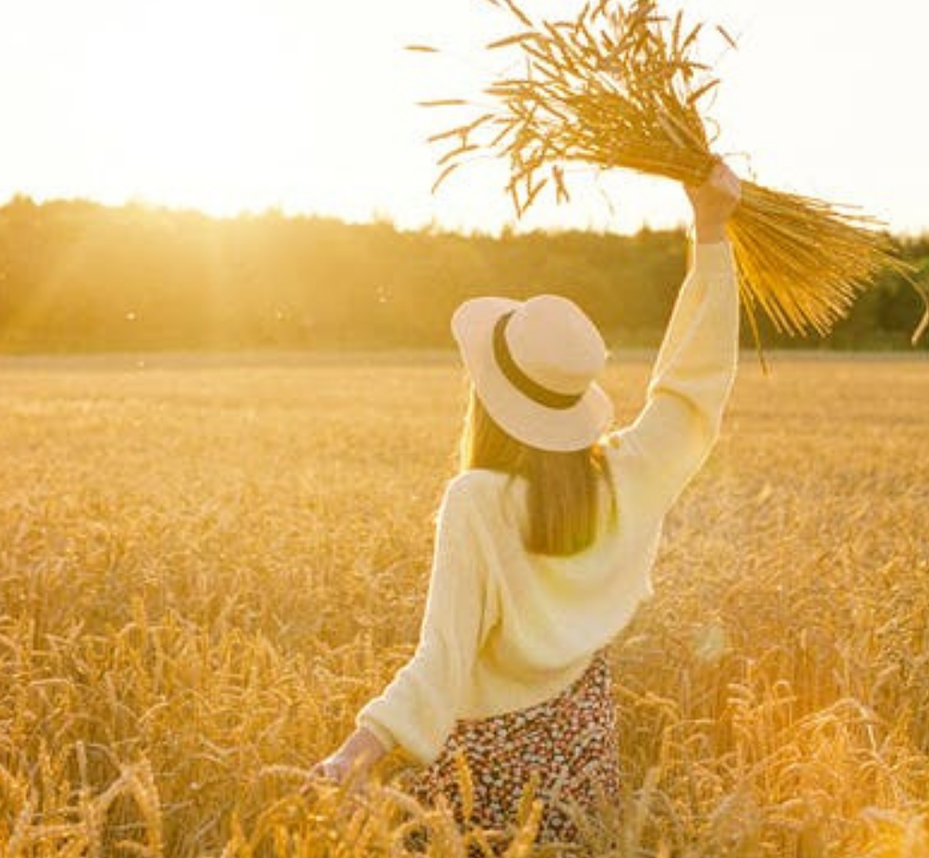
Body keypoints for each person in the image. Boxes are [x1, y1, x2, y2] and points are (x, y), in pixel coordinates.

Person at [310, 159, 743, 846]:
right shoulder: (627, 474)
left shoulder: (477, 502)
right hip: (584, 760)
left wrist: (357, 750)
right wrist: (711, 231)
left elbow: (443, 656)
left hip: (482, 772)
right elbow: (693, 391)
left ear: (490, 394)